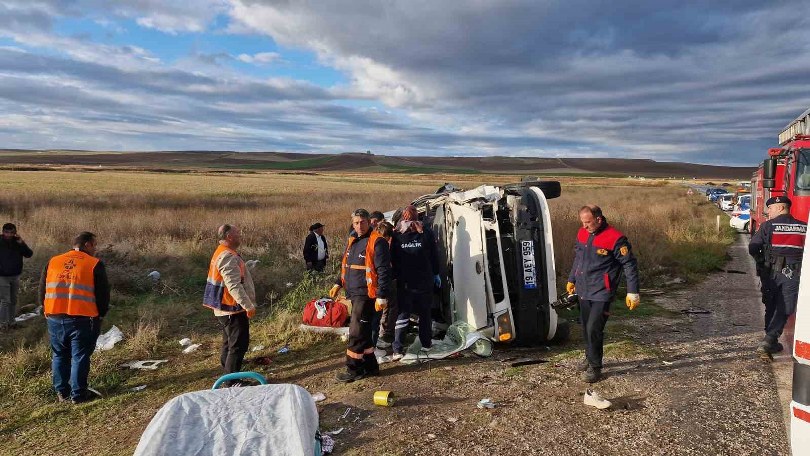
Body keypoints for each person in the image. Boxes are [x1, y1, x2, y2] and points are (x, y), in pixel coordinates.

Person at [567, 205, 639, 383]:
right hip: (584, 289)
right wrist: (572, 279)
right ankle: (589, 356)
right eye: (582, 222)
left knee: (594, 328)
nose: (584, 226)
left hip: (602, 291)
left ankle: (595, 367)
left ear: (599, 219)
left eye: (588, 222)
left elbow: (629, 265)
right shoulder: (582, 233)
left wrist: (633, 292)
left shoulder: (615, 238)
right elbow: (578, 258)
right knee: (585, 326)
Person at [40, 232, 110, 403]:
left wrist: (46, 309)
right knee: (79, 356)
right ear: (86, 244)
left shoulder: (53, 261)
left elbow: (42, 289)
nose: (95, 249)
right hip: (83, 318)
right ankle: (78, 395)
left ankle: (62, 393)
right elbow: (102, 294)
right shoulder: (94, 264)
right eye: (94, 245)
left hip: (54, 316)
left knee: (59, 355)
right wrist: (101, 315)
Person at [330, 209, 391, 382]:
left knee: (356, 332)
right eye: (356, 223)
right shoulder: (353, 240)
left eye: (362, 222)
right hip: (354, 293)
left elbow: (384, 271)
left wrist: (382, 296)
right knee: (363, 333)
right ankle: (371, 367)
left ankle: (353, 369)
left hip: (367, 296)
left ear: (369, 222)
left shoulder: (377, 242)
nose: (359, 226)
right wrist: (338, 283)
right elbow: (346, 265)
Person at [748, 196, 806, 359]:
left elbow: (753, 247)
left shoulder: (768, 226)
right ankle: (770, 341)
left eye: (771, 209)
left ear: (781, 208)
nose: (768, 212)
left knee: (771, 305)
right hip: (793, 275)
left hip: (771, 274)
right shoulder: (804, 227)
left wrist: (762, 262)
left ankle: (769, 340)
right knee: (786, 307)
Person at [203, 224, 257, 384]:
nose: (240, 236)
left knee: (228, 342)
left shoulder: (222, 252)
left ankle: (228, 370)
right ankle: (232, 381)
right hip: (232, 308)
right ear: (229, 237)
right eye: (237, 233)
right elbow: (233, 285)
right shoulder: (227, 255)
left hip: (224, 308)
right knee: (239, 344)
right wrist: (248, 305)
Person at [391, 205, 440, 360]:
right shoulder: (425, 232)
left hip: (406, 282)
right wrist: (436, 273)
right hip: (422, 280)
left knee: (403, 314)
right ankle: (426, 344)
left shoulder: (397, 234)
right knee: (424, 314)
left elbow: (393, 259)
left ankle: (398, 348)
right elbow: (434, 255)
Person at [0, 223, 33, 330]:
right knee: (5, 300)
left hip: (15, 275)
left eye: (12, 232)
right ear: (3, 232)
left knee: (13, 300)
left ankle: (12, 323)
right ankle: (2, 324)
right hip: (2, 276)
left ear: (15, 233)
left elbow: (29, 254)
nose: (9, 235)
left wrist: (22, 243)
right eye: (7, 232)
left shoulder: (18, 242)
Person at [372, 221, 397, 351]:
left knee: (384, 309)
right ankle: (383, 336)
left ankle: (381, 336)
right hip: (383, 282)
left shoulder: (373, 241)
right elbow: (384, 268)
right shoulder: (381, 245)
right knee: (387, 308)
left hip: (377, 282)